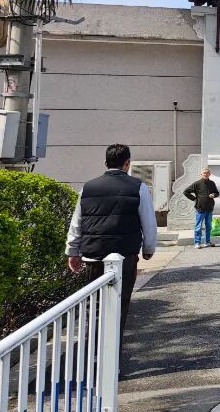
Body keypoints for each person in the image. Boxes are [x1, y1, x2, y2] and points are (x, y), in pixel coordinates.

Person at [64, 144, 158, 338]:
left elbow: (77, 222)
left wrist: (72, 251)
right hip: (125, 256)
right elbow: (148, 222)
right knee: (120, 304)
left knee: (94, 305)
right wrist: (148, 248)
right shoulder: (138, 187)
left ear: (105, 162)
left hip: (93, 254)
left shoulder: (88, 187)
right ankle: (113, 349)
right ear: (127, 163)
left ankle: (93, 346)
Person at [184, 167, 219, 248]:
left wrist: (214, 195)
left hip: (209, 208)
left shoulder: (212, 183)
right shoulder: (197, 183)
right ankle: (197, 243)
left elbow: (217, 193)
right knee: (198, 227)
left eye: (207, 173)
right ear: (202, 174)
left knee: (209, 226)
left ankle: (207, 242)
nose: (206, 174)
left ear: (209, 174)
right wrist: (194, 199)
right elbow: (186, 192)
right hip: (200, 208)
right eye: (204, 173)